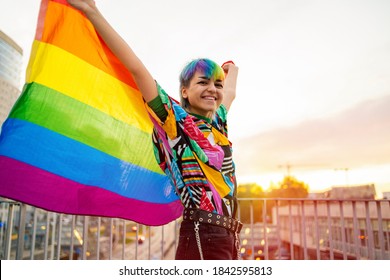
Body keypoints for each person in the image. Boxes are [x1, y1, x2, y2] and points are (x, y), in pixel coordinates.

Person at [67, 0, 241, 260]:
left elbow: (230, 92)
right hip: (202, 234)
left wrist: (231, 69)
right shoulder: (175, 122)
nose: (212, 89)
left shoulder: (218, 123)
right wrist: (93, 12)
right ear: (185, 91)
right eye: (202, 82)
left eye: (216, 84)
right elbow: (137, 70)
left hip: (229, 235)